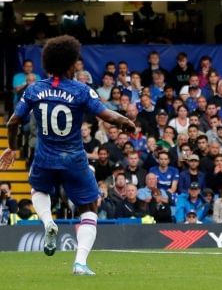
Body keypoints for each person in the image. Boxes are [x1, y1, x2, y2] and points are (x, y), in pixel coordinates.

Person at [1, 36, 135, 276]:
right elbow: (109, 116)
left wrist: (11, 148)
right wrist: (125, 121)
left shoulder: (35, 89)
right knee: (89, 207)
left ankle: (48, 223)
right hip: (73, 158)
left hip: (44, 157)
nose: (77, 65)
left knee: (38, 191)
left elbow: (13, 122)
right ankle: (80, 263)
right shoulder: (81, 90)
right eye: (75, 62)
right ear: (69, 64)